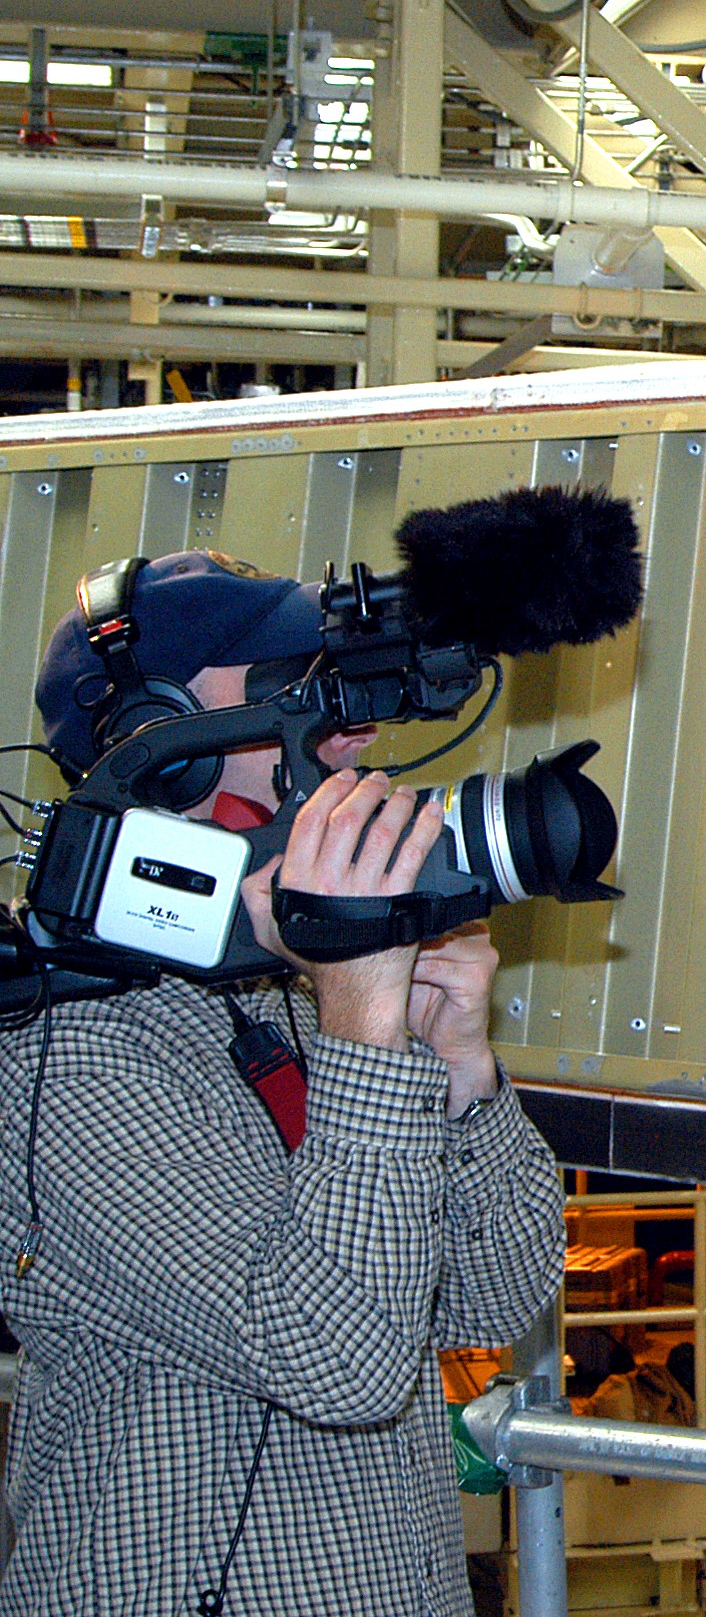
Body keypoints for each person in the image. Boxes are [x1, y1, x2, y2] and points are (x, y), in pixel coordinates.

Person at [0, 551, 566, 1617]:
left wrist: (461, 1070)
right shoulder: (63, 1050)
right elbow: (338, 1361)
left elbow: (490, 1299)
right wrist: (363, 1022)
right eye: (287, 691)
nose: (343, 735)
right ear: (162, 741)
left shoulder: (292, 987)